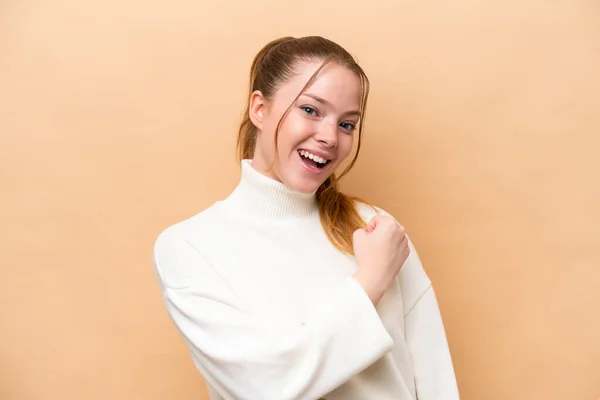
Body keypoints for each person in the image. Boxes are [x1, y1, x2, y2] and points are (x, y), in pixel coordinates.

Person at [153, 35, 460, 400]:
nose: (330, 137)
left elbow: (434, 377)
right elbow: (263, 388)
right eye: (311, 110)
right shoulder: (190, 247)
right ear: (259, 109)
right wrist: (371, 280)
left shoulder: (376, 228)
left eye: (347, 124)